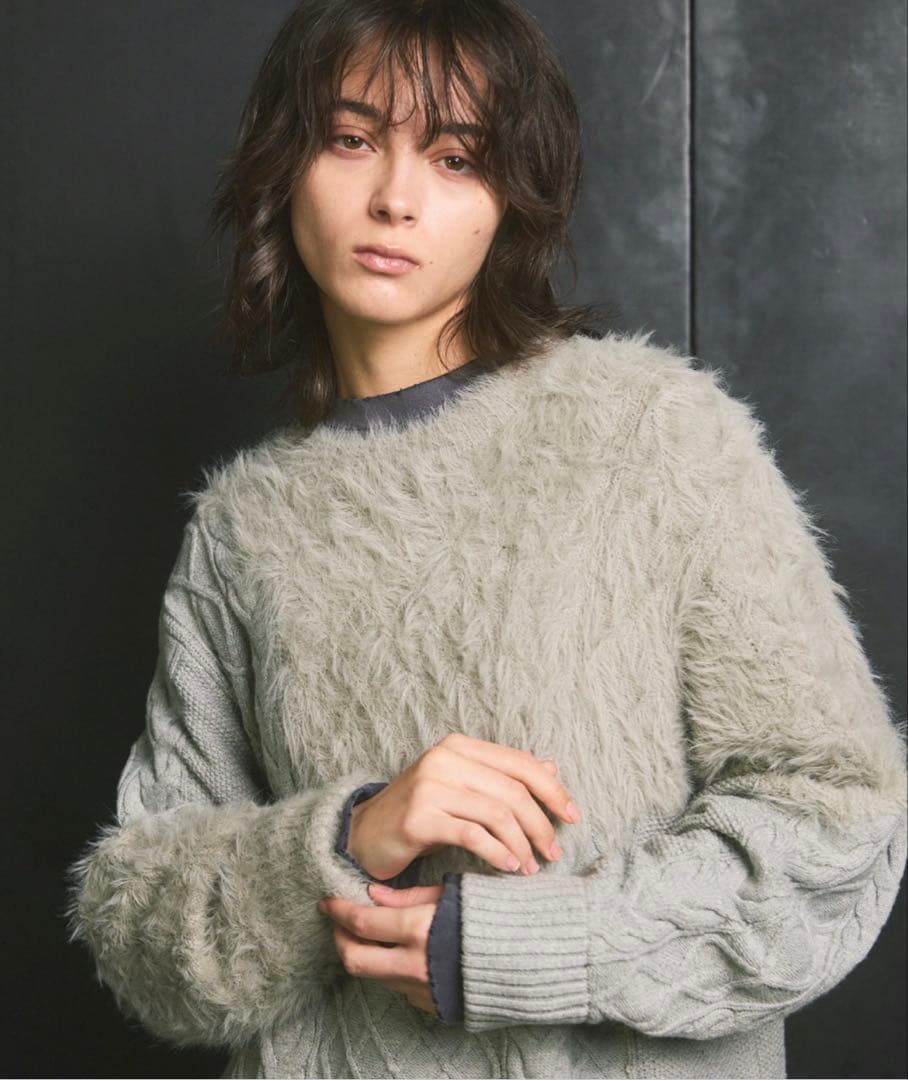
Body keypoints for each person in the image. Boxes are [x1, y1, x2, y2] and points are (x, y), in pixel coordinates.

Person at [65, 1, 908, 1077]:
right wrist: (347, 836)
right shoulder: (243, 529)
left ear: (511, 202)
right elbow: (138, 925)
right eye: (352, 138)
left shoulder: (652, 437)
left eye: (455, 158)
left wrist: (530, 946)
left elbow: (837, 817)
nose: (395, 197)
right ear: (286, 166)